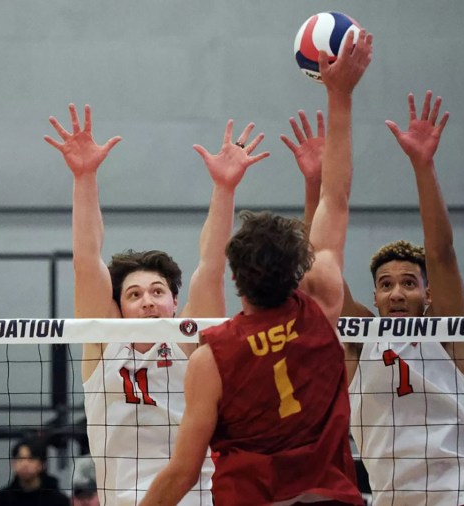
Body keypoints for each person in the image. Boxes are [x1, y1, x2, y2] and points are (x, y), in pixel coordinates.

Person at [140, 28, 373, 506]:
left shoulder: (212, 358)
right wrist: (341, 95)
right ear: (299, 271)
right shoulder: (321, 303)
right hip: (327, 498)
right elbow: (336, 196)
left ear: (235, 278)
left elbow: (183, 472)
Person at [45, 103, 269, 505]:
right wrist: (84, 177)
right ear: (117, 309)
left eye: (157, 291)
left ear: (175, 302)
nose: (147, 302)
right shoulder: (104, 342)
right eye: (134, 294)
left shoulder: (188, 342)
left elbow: (211, 267)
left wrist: (224, 189)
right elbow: (86, 262)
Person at [335, 91, 464, 506]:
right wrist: (318, 183)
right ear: (375, 297)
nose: (397, 293)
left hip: (460, 497)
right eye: (386, 285)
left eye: (408, 283)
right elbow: (321, 272)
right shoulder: (360, 339)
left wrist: (423, 165)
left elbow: (441, 253)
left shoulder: (446, 332)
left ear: (427, 293)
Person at [0, 440, 69, 506]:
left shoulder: (58, 500)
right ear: (13, 463)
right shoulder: (3, 499)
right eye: (20, 459)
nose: (24, 464)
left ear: (42, 465)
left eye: (31, 459)